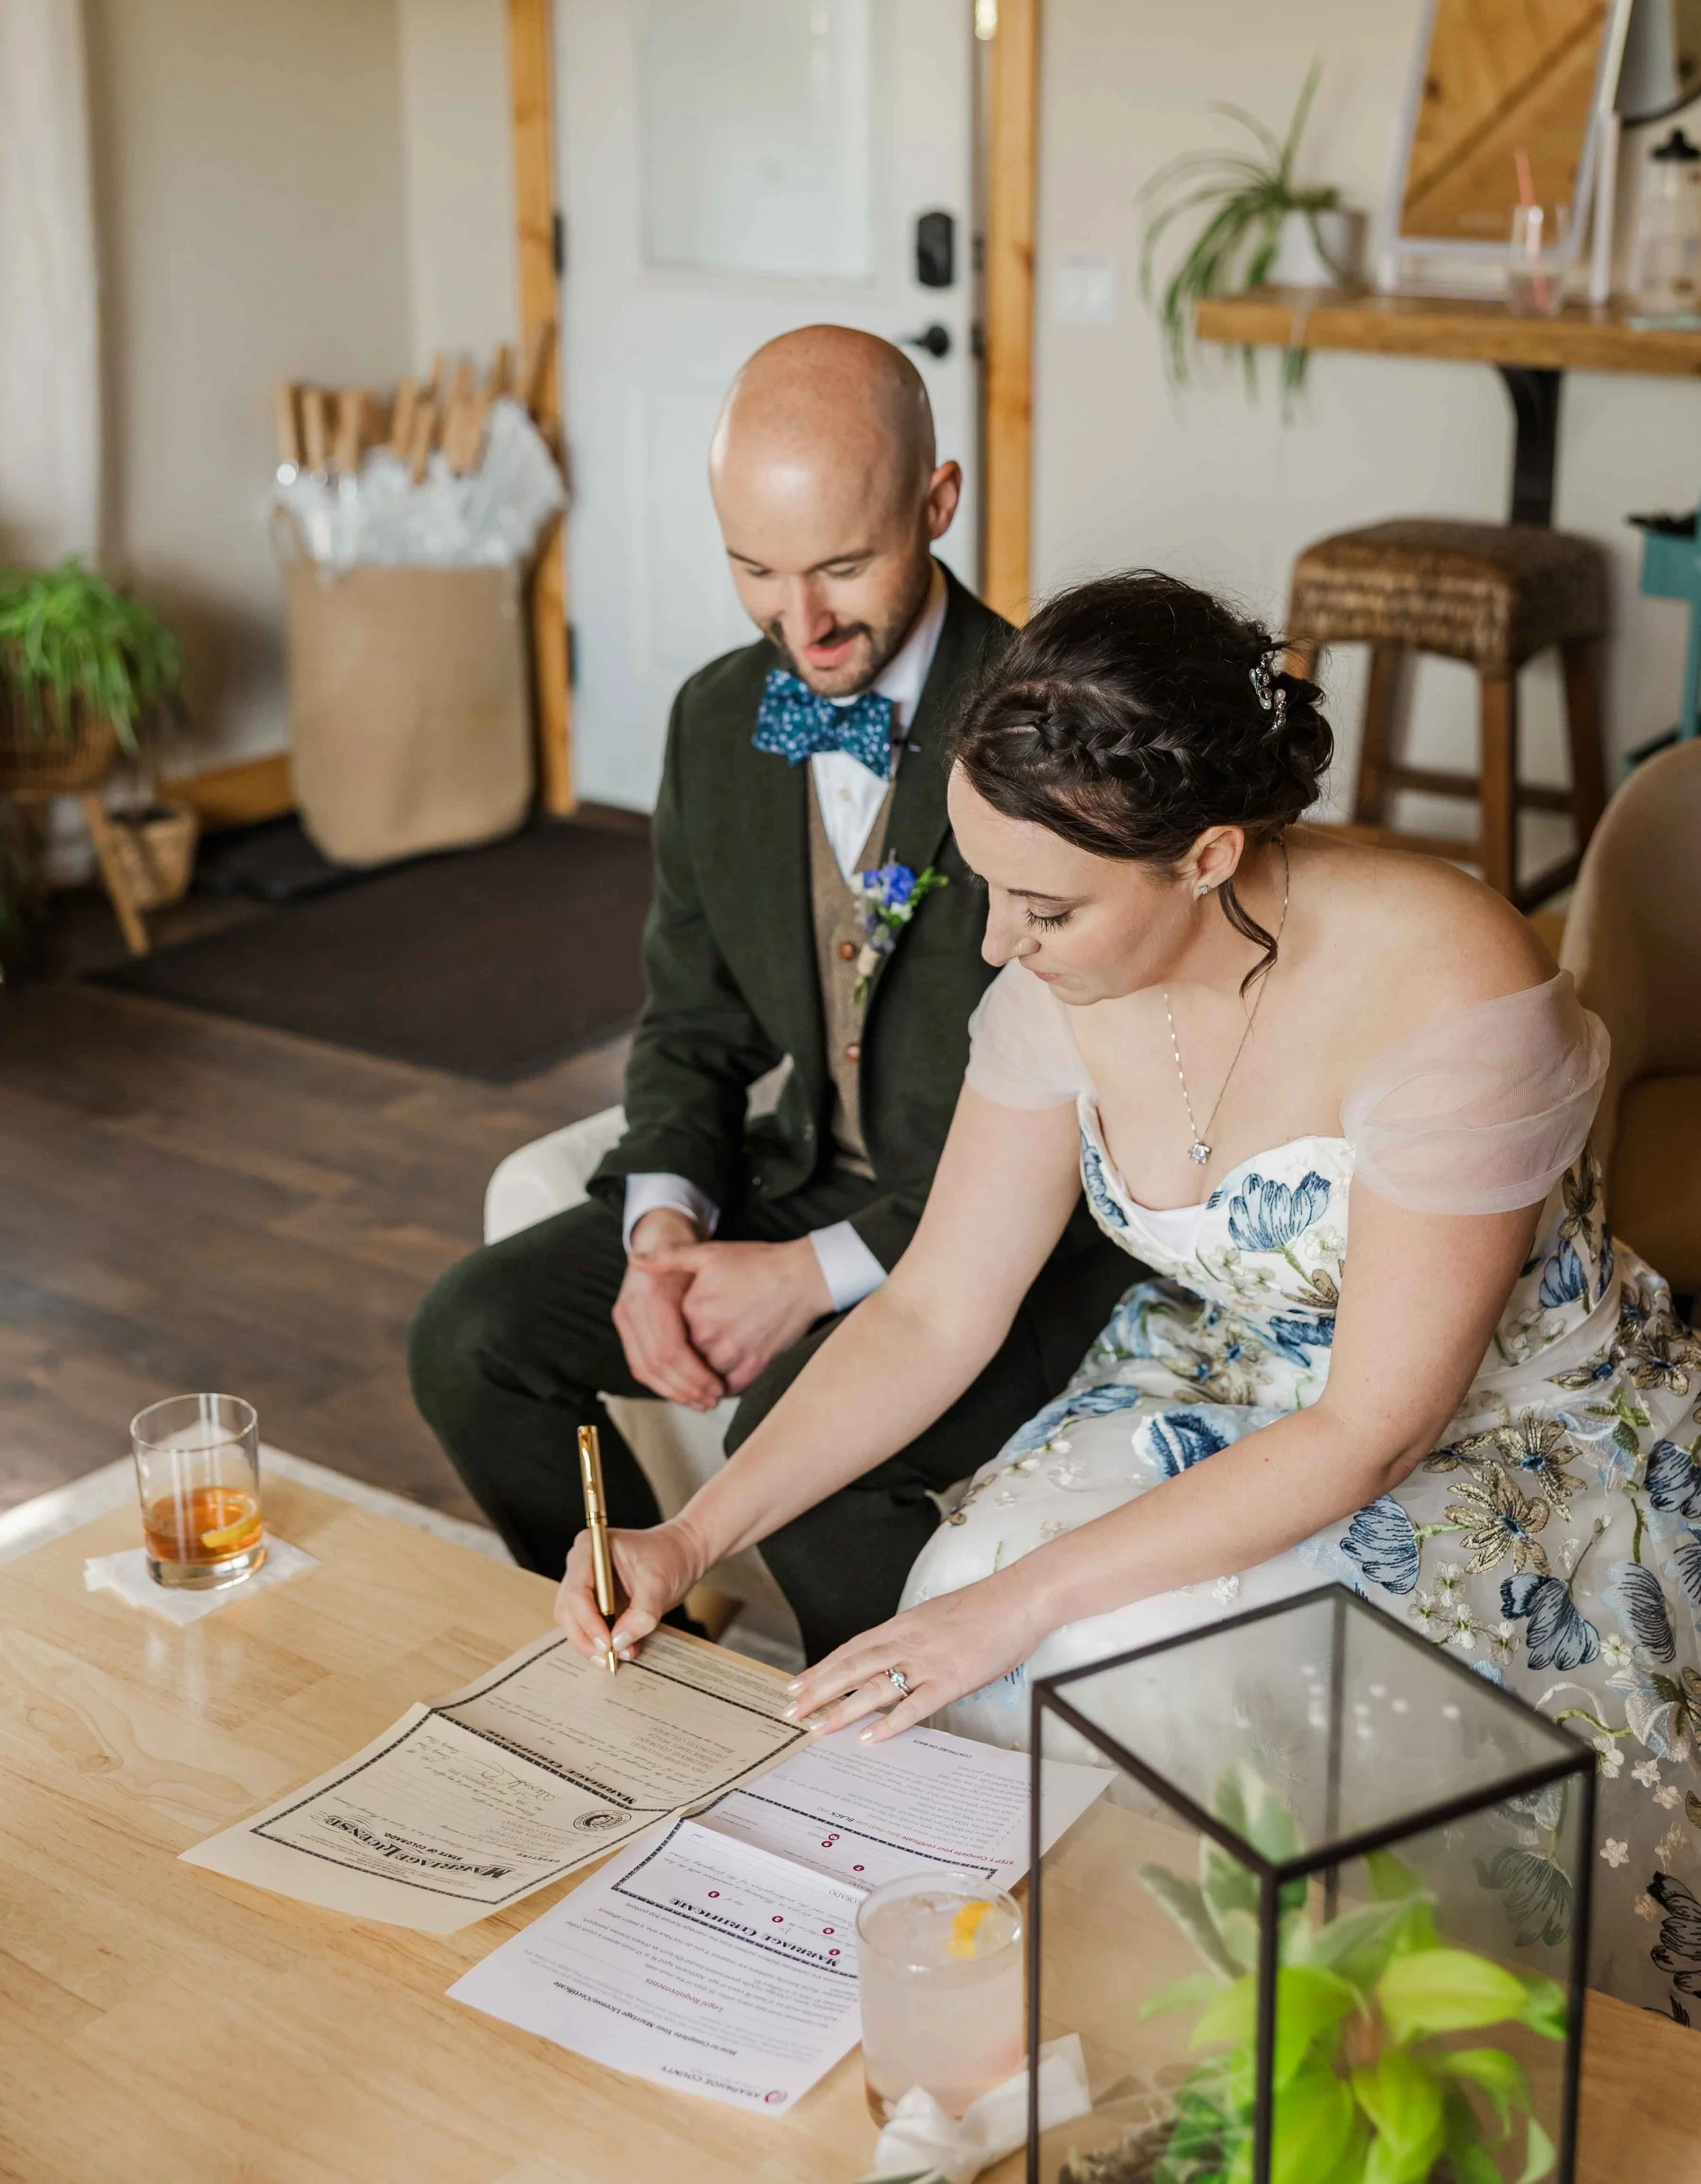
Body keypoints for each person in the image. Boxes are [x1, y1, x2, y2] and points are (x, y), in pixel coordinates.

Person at [556, 568, 1701, 2015]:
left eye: (1041, 908)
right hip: (1220, 1374)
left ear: (1206, 855)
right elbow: (931, 1308)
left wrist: (1020, 1609)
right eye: (986, 886)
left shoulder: (1444, 973)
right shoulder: (1054, 979)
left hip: (1490, 1425)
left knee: (1116, 1654)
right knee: (958, 1583)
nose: (994, 945)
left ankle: (1240, 2033)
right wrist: (688, 1536)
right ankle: (1032, 2018)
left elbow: (1375, 1432)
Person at [408, 327, 1131, 1661]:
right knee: (470, 1337)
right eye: (755, 569)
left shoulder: (1061, 729)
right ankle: (662, 1658)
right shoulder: (713, 719)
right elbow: (692, 1021)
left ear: (938, 503)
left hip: (1017, 1231)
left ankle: (880, 1756)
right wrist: (660, 1234)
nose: (801, 624)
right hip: (805, 1173)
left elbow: (1108, 1099)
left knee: (802, 1465)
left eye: (843, 567)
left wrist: (808, 1275)